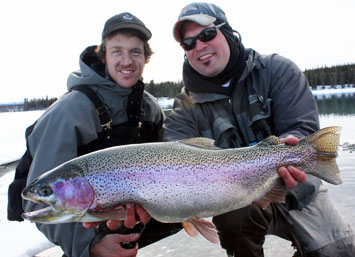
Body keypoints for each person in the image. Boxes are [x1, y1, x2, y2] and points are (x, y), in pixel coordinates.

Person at [164, 2, 355, 257]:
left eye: (207, 34)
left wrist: (296, 145)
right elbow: (171, 161)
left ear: (228, 32)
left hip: (299, 191)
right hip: (240, 202)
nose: (199, 46)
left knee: (339, 252)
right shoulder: (183, 108)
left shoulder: (277, 70)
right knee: (235, 217)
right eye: (188, 43)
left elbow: (303, 128)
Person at [23, 12, 181, 257]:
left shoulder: (149, 108)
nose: (127, 61)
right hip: (86, 237)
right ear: (103, 55)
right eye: (117, 51)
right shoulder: (69, 112)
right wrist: (90, 246)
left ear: (146, 58)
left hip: (131, 226)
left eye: (135, 52)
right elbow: (38, 201)